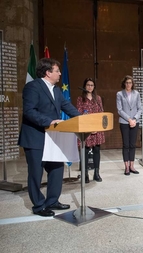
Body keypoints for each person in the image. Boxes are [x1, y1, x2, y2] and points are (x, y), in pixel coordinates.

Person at [18, 58, 80, 217]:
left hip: (53, 138)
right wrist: (49, 121)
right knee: (36, 173)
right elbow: (29, 111)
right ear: (48, 72)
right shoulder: (32, 87)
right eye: (57, 71)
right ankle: (38, 206)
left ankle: (52, 201)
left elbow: (68, 107)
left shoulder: (57, 90)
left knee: (57, 169)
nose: (60, 73)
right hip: (35, 137)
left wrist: (83, 120)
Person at [76, 78, 105, 183]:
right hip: (86, 129)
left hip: (97, 129)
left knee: (97, 150)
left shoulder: (98, 98)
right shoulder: (80, 99)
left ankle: (96, 173)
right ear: (85, 86)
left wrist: (96, 128)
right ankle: (85, 174)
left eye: (92, 85)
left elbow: (101, 113)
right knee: (85, 151)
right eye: (88, 85)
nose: (90, 87)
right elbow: (79, 113)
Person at [117, 75, 143, 176]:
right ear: (124, 83)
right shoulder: (119, 94)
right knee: (126, 145)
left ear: (132, 84)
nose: (128, 84)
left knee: (132, 144)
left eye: (130, 83)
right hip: (124, 122)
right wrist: (129, 119)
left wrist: (135, 119)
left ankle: (132, 165)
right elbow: (119, 109)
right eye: (127, 83)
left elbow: (140, 108)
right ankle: (126, 166)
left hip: (135, 122)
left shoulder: (136, 93)